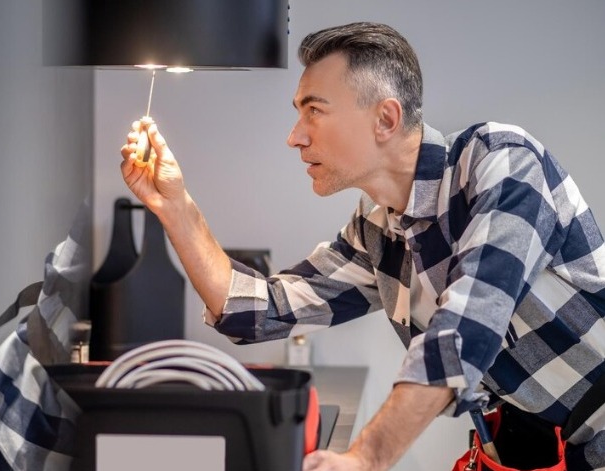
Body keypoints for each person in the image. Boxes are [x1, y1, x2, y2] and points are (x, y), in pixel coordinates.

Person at [120, 22, 605, 471]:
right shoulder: (379, 228)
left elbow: (467, 327)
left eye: (314, 110)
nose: (294, 137)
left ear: (385, 119)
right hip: (540, 443)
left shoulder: (503, 162)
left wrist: (365, 458)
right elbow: (258, 310)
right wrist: (175, 206)